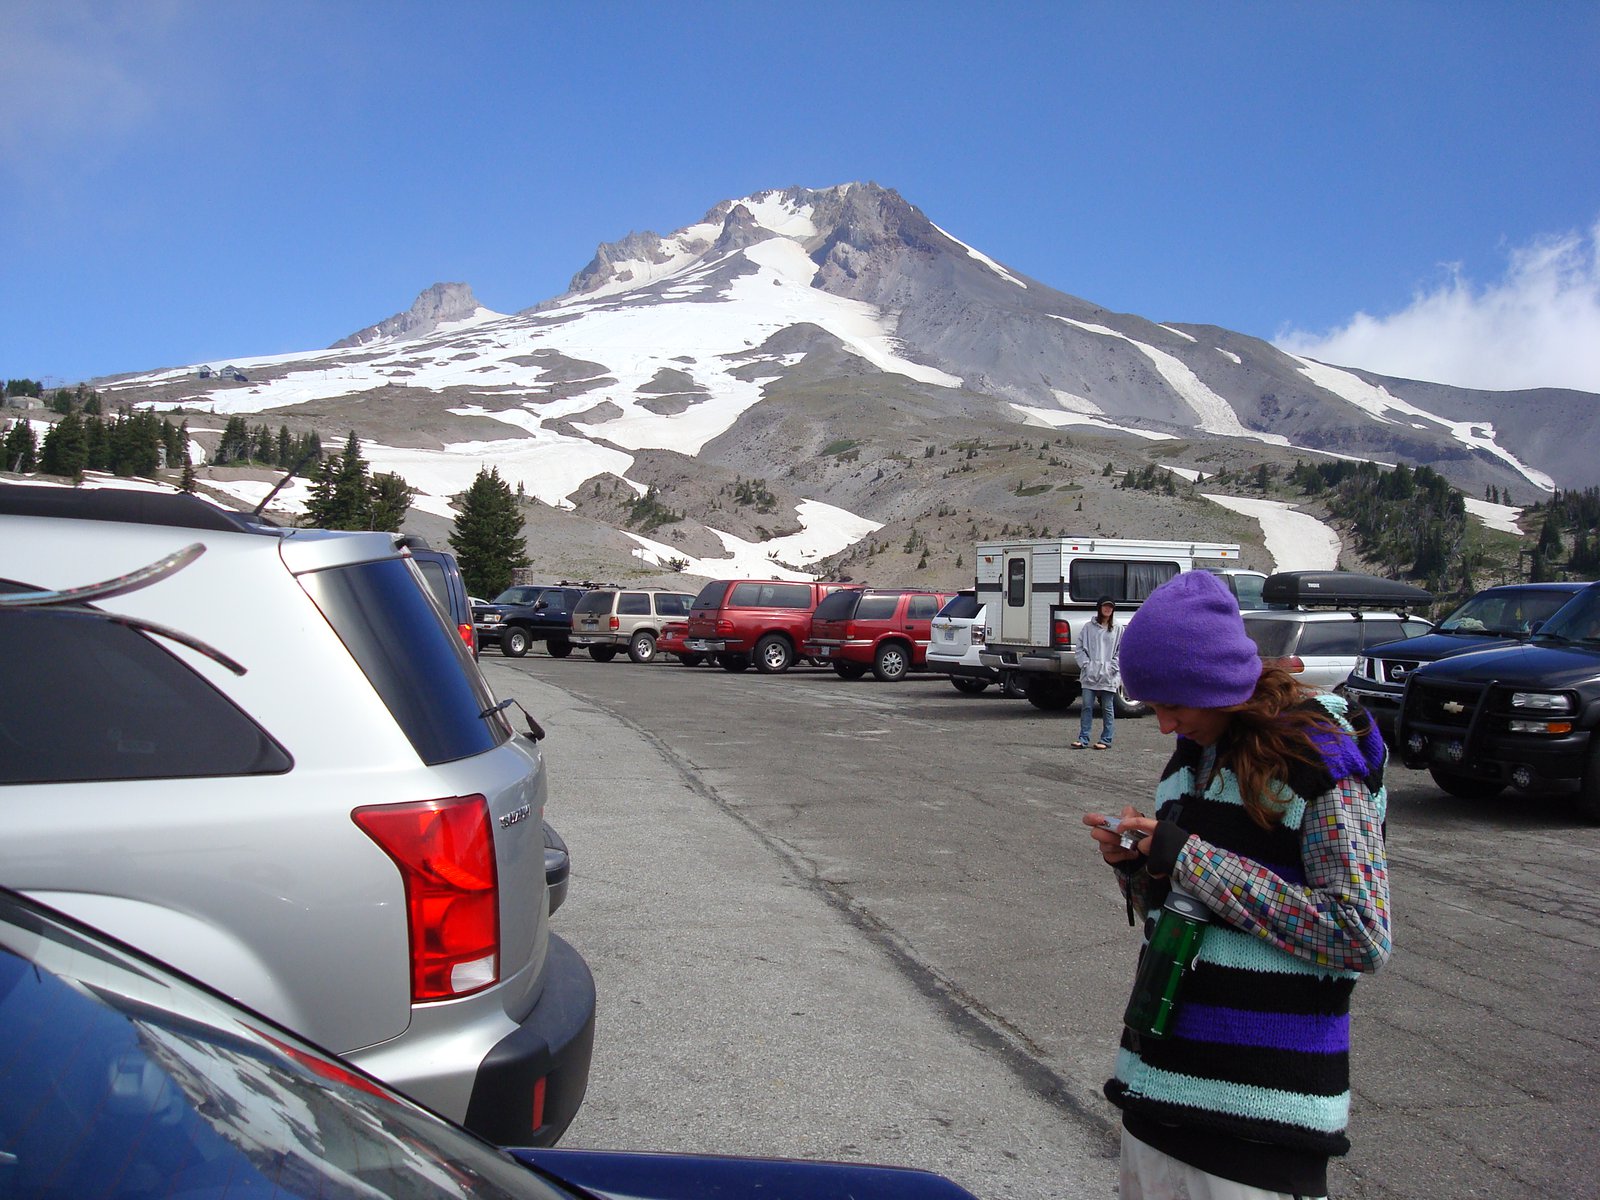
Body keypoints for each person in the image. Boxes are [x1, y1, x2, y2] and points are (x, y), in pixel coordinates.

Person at [1081, 570, 1391, 1200]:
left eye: (1174, 704)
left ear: (1216, 682)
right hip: (1157, 1104)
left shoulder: (1321, 758)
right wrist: (1140, 868)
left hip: (1258, 1133)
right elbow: (1183, 911)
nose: (1164, 724)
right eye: (1152, 705)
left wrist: (1188, 857)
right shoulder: (1189, 764)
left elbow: (1360, 933)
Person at [1073, 596, 1121, 749]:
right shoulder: (1088, 627)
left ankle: (1106, 739)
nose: (1107, 609)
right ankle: (1083, 738)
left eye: (1110, 607)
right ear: (1099, 608)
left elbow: (1122, 651)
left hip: (1108, 675)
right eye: (1105, 606)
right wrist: (1086, 665)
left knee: (1107, 707)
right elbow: (1079, 648)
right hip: (1090, 674)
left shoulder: (1118, 628)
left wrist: (1112, 667)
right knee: (1087, 705)